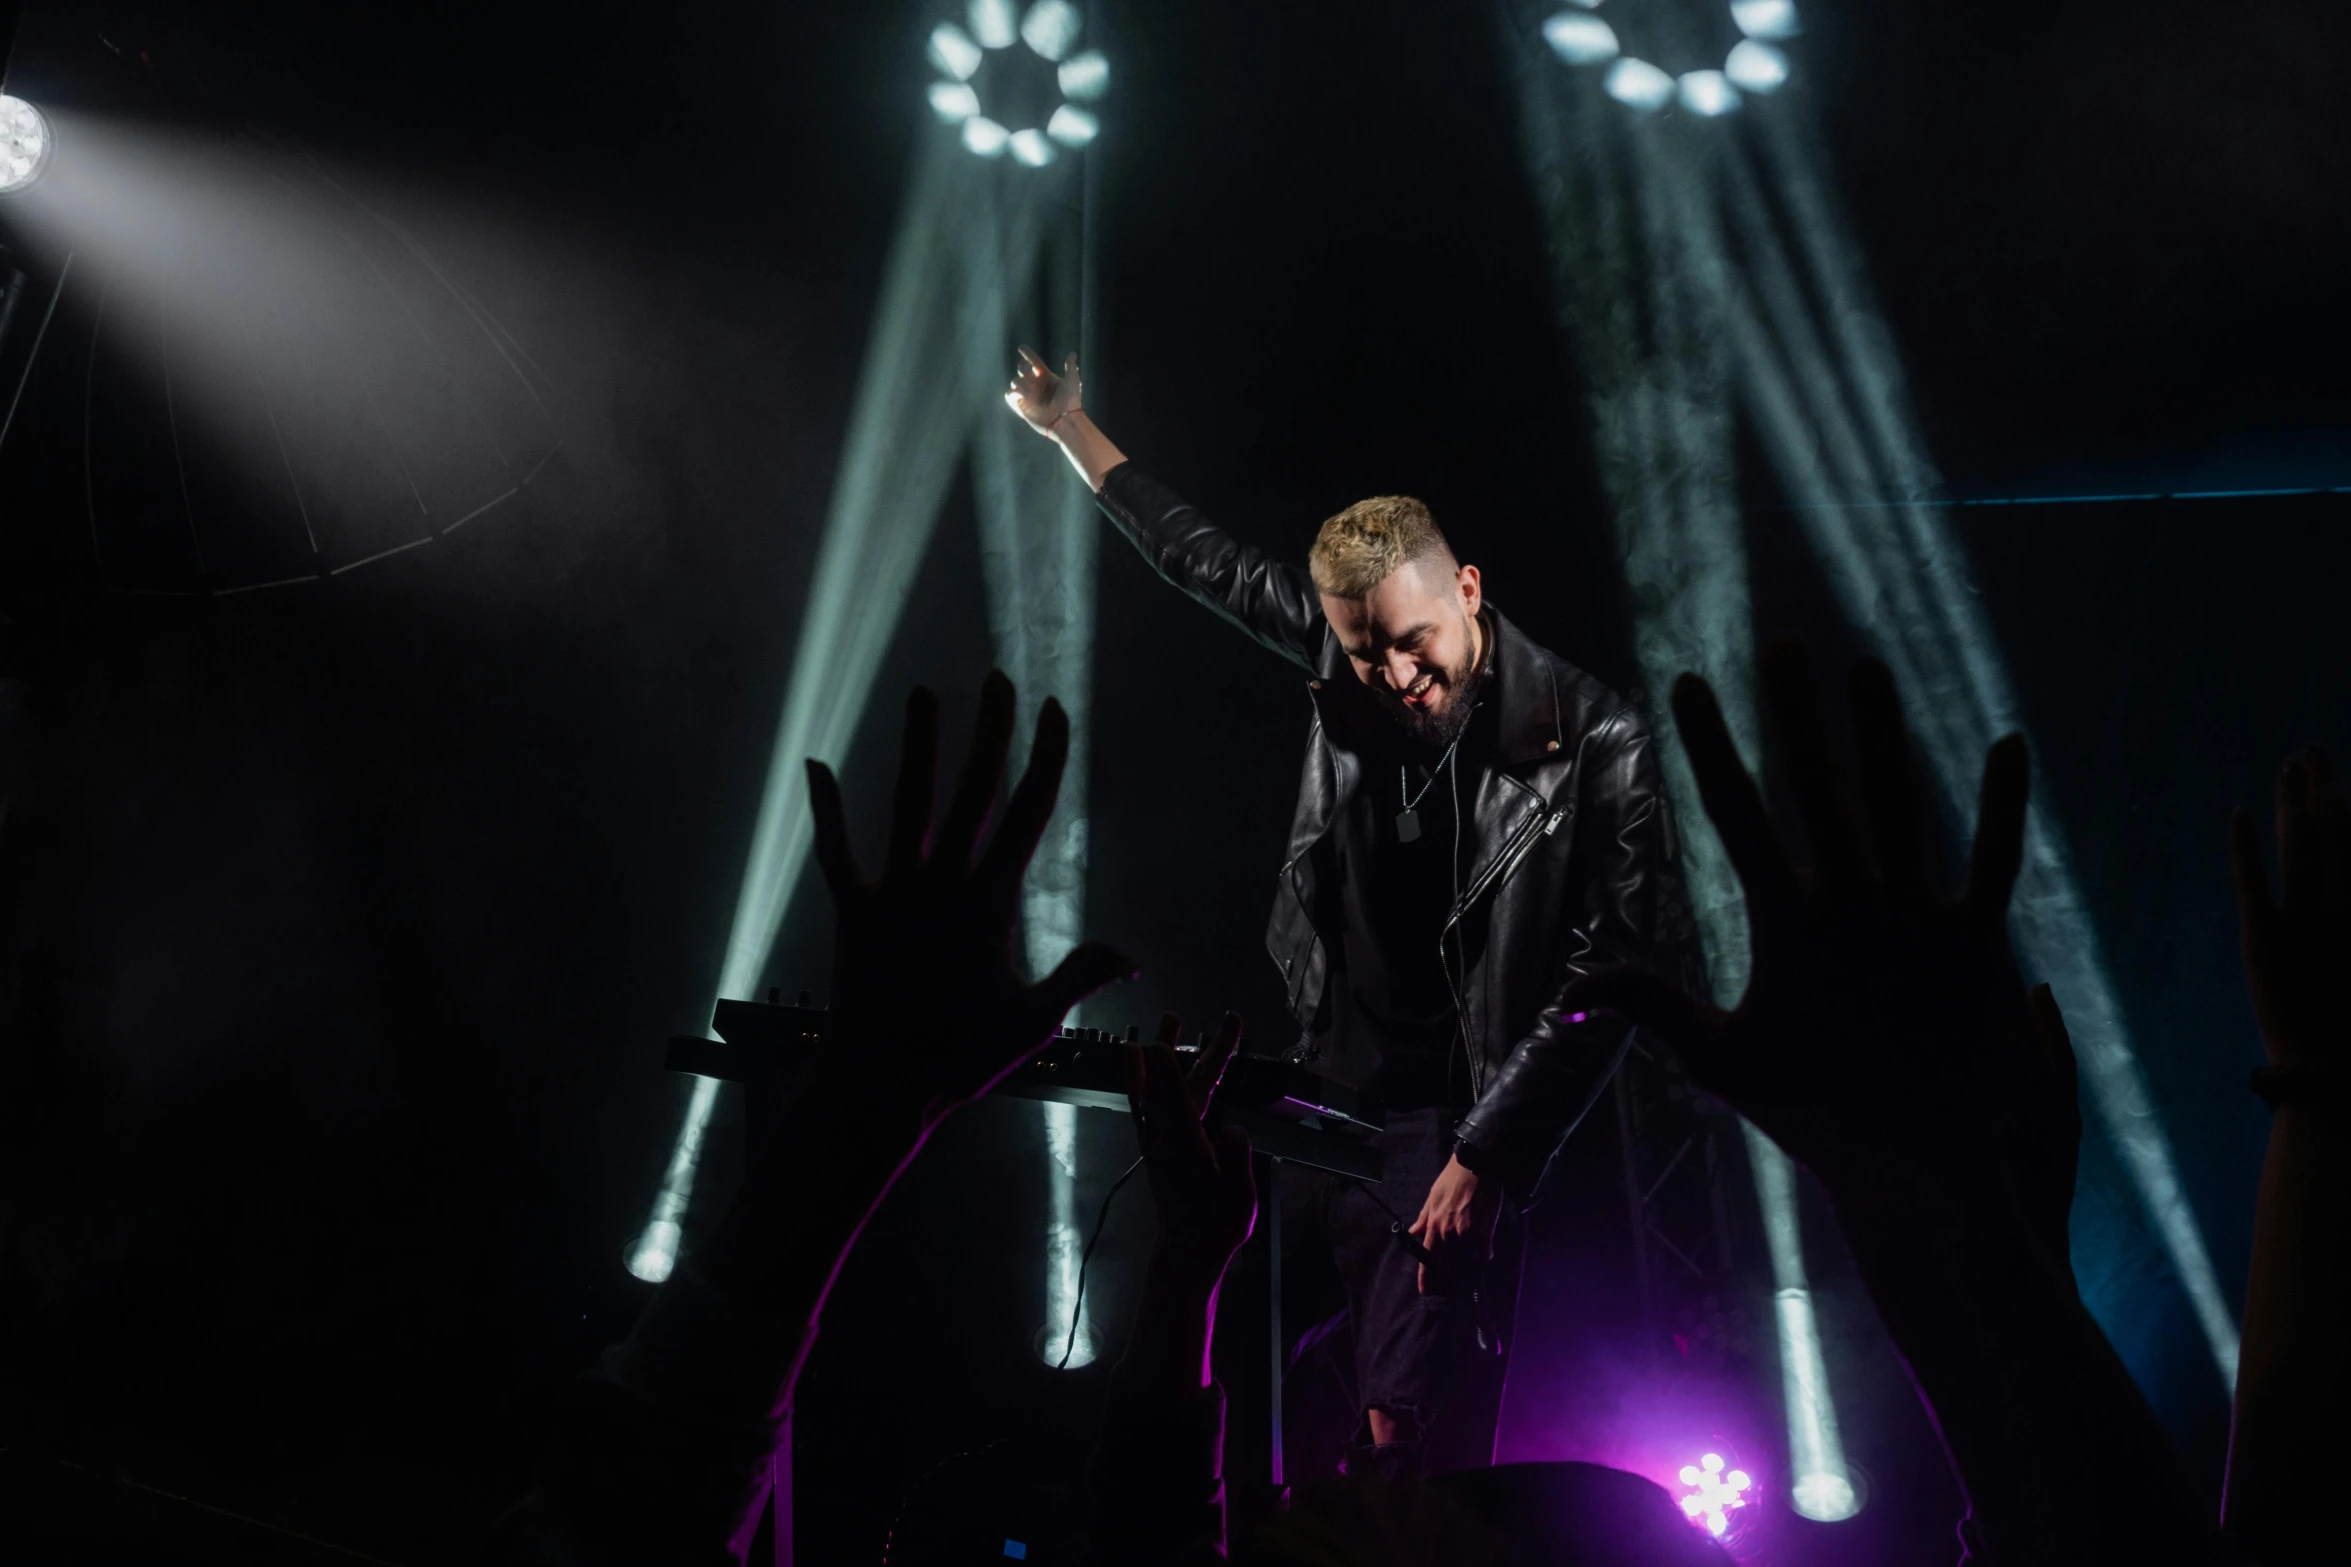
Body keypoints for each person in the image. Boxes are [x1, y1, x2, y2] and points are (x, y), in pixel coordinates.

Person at [1008, 349, 1689, 1479]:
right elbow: (1199, 559)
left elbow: (1609, 973)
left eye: (1412, 642)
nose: (1392, 675)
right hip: (1327, 1072)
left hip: (1454, 1112)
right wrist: (1067, 425)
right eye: (1363, 652)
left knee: (1405, 1419)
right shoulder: (1347, 647)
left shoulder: (1596, 740)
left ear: (1466, 588)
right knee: (1255, 1364)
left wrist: (1490, 1150)